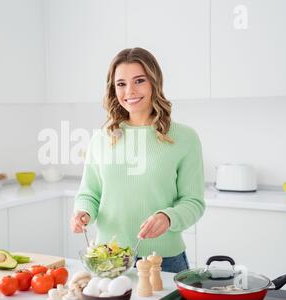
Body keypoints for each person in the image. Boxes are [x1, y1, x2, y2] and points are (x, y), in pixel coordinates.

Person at [70, 47, 205, 273]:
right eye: (121, 84)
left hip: (163, 261)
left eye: (139, 81)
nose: (130, 91)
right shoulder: (102, 138)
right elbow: (89, 193)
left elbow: (193, 202)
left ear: (154, 83)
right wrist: (83, 212)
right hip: (108, 258)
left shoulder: (184, 138)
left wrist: (168, 217)